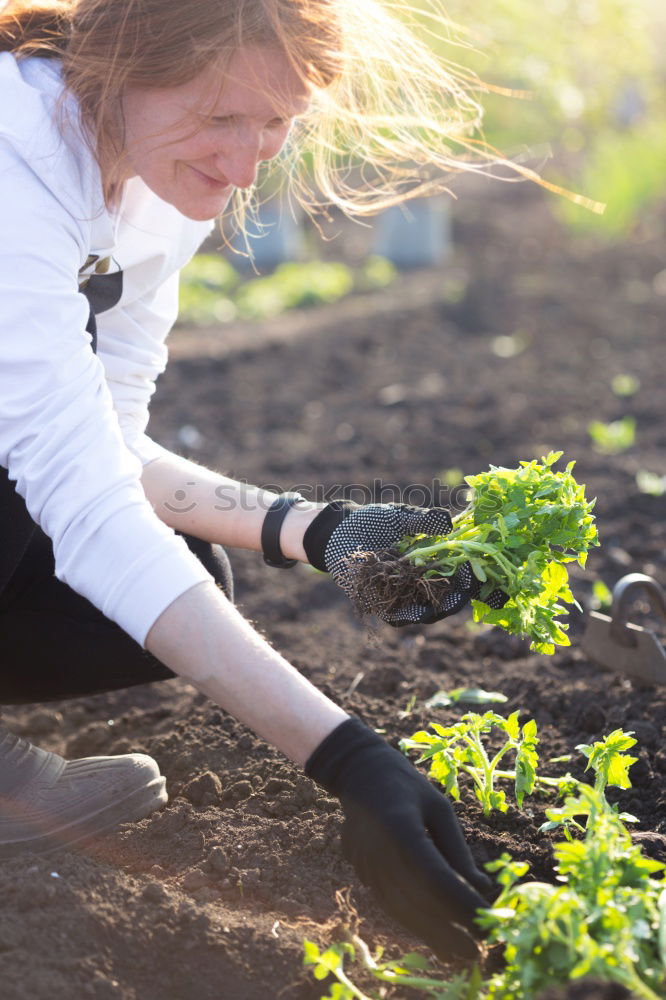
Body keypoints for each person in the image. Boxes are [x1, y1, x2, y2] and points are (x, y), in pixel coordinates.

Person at [0, 0, 511, 962]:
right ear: (122, 64)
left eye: (274, 122)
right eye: (219, 118)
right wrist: (348, 758)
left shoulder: (147, 179)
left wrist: (316, 531)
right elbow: (74, 486)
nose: (245, 166)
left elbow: (107, 438)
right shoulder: (10, 167)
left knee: (173, 579)